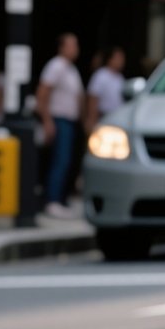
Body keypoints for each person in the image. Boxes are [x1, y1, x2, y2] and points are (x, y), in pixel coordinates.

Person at [36, 34, 84, 218]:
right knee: (60, 160)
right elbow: (43, 93)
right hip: (58, 119)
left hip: (70, 121)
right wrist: (47, 120)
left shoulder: (70, 69)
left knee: (66, 160)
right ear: (62, 47)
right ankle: (52, 199)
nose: (75, 48)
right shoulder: (55, 66)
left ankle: (61, 197)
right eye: (71, 45)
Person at [86, 45, 127, 131]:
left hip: (118, 119)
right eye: (118, 58)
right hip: (103, 118)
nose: (121, 61)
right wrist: (91, 120)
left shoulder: (120, 78)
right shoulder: (101, 75)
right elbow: (93, 98)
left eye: (122, 58)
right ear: (110, 59)